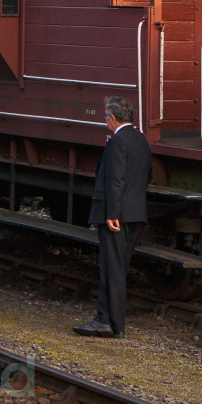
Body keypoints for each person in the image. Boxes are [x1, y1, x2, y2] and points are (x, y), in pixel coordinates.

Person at [73, 96, 151, 338]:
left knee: (112, 269)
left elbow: (114, 179)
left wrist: (112, 213)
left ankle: (109, 322)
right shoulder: (141, 141)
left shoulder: (117, 142)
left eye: (106, 117)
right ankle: (106, 319)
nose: (105, 121)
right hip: (136, 213)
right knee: (118, 267)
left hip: (118, 216)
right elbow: (144, 177)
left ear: (114, 118)